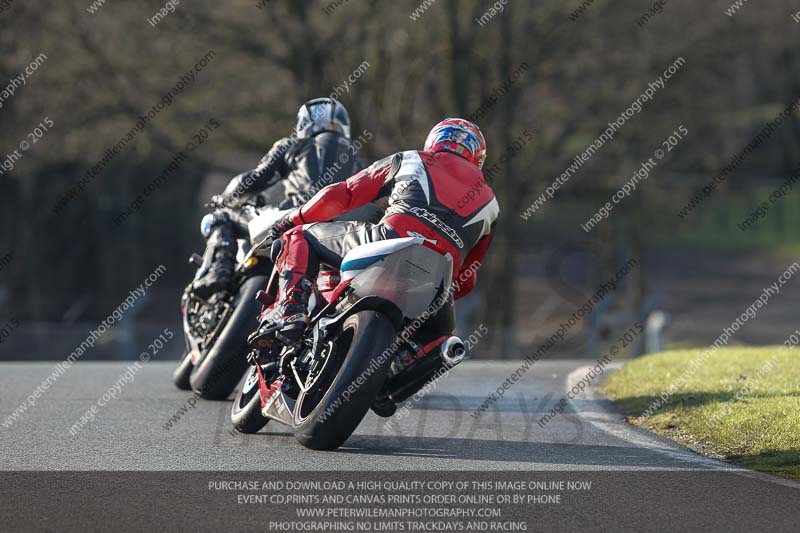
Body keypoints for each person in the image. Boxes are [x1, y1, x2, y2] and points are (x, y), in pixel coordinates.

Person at [256, 118, 498, 353]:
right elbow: (468, 277)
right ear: (478, 156)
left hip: (389, 240)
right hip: (437, 285)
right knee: (440, 344)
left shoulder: (411, 159)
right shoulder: (491, 204)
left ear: (435, 140)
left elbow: (343, 195)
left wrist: (293, 218)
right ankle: (405, 357)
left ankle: (293, 309)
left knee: (300, 236)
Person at [192, 97, 364, 297]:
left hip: (291, 217)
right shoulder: (358, 163)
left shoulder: (295, 144)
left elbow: (255, 180)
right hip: (339, 233)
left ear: (306, 122)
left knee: (220, 217)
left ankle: (217, 275)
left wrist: (225, 197)